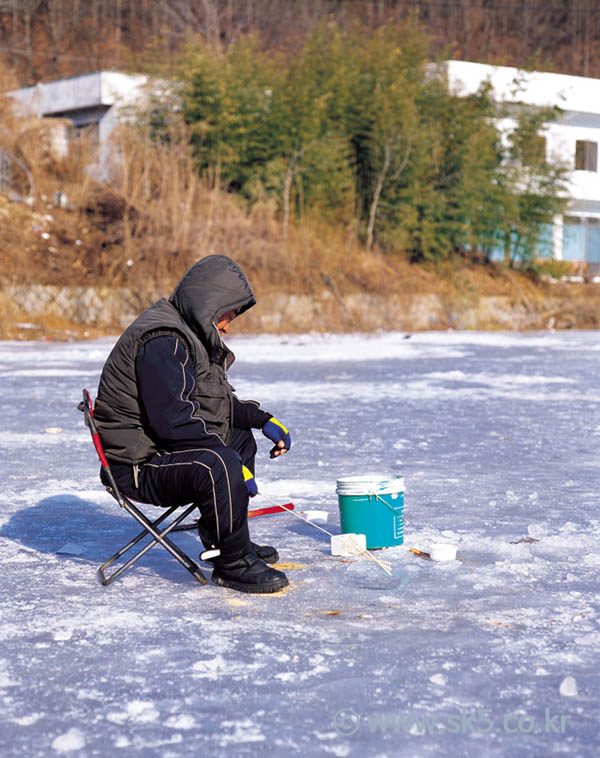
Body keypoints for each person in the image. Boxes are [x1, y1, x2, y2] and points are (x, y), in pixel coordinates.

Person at [93, 254, 292, 594]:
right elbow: (173, 421)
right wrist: (232, 467)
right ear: (209, 304)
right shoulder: (163, 339)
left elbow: (214, 405)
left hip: (157, 452)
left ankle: (229, 538)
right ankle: (233, 562)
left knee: (239, 438)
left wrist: (263, 420)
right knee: (218, 461)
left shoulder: (188, 335)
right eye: (227, 314)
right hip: (137, 465)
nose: (228, 325)